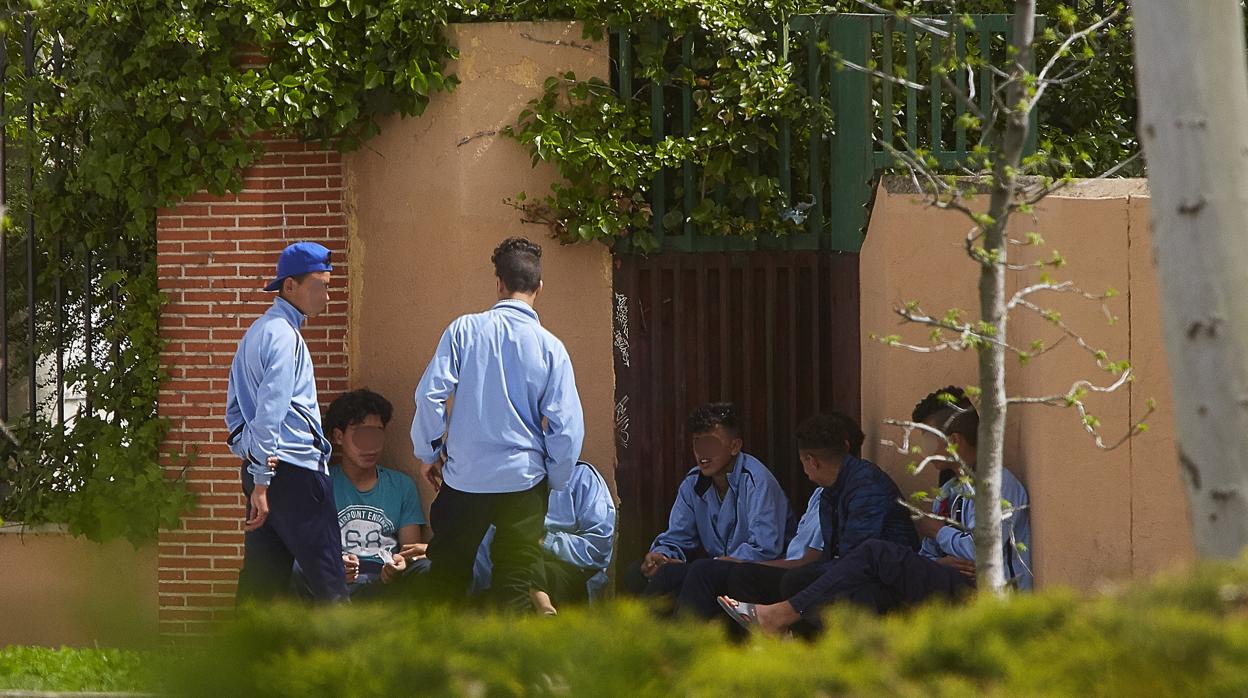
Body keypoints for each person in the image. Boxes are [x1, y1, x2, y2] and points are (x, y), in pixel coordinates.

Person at [719, 387, 1032, 634]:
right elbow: (931, 551)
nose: (920, 448)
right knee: (859, 589)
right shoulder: (950, 490)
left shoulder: (996, 484)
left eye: (925, 438)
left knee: (874, 552)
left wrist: (937, 530)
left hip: (986, 594)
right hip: (949, 580)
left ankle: (776, 616)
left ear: (952, 441)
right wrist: (936, 560)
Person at [410, 237, 585, 609]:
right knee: (516, 583)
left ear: (499, 283)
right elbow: (566, 427)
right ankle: (513, 665)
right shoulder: (550, 347)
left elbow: (429, 396)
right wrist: (553, 478)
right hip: (523, 482)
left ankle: (437, 664)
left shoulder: (463, 330)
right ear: (539, 287)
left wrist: (428, 452)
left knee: (445, 578)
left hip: (464, 479)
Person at [673, 412, 918, 619]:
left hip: (885, 579)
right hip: (843, 568)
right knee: (741, 575)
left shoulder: (866, 487)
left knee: (782, 579)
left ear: (810, 461)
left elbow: (855, 559)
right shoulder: (832, 491)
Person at [226, 241, 348, 603]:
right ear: (289, 286)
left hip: (266, 471)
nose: (326, 295)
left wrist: (250, 457)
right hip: (293, 474)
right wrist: (263, 478)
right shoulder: (284, 336)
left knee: (262, 590)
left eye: (328, 284)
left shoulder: (257, 332)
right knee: (331, 587)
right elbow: (269, 412)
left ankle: (244, 659)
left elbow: (235, 415)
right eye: (319, 285)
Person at [622, 402, 791, 601]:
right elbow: (678, 536)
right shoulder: (693, 483)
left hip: (759, 574)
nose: (703, 453)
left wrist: (716, 563)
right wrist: (661, 555)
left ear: (735, 446)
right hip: (716, 569)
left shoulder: (757, 481)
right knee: (639, 573)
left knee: (699, 571)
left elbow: (764, 549)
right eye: (697, 443)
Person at [293, 389, 429, 599]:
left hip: (385, 580)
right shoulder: (321, 484)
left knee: (426, 568)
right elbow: (306, 544)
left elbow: (409, 549)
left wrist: (399, 565)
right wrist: (333, 565)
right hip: (335, 581)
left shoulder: (402, 485)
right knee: (298, 567)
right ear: (338, 436)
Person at [472, 460, 616, 615]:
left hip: (568, 571)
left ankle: (543, 607)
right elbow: (486, 548)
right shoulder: (507, 482)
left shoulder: (582, 476)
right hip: (514, 568)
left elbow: (598, 548)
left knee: (523, 557)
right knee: (494, 593)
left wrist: (545, 541)